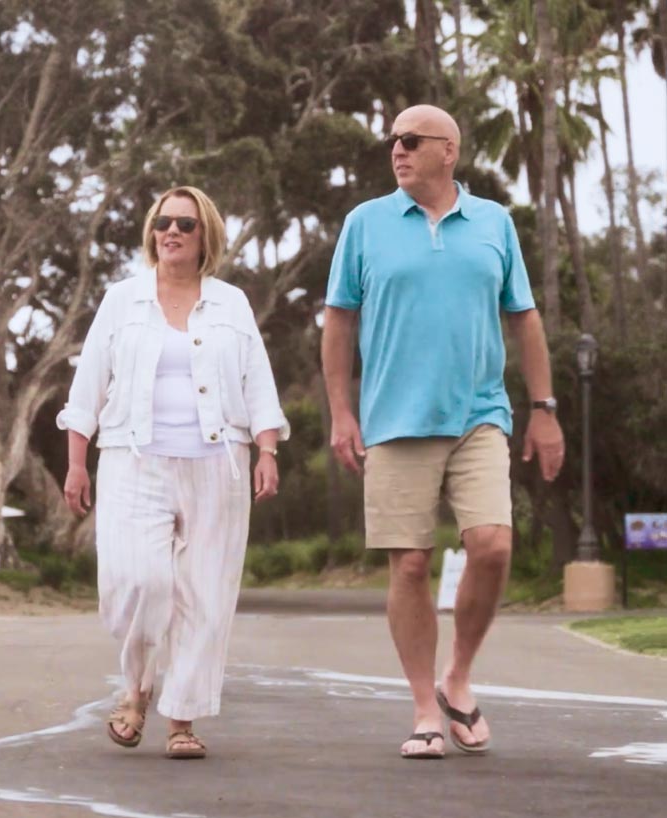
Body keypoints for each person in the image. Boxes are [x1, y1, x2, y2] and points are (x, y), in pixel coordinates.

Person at [321, 105, 564, 759]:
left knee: (491, 546)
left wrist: (543, 408)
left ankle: (458, 675)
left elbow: (526, 319)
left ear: (448, 151)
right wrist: (342, 413)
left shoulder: (493, 223)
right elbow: (339, 321)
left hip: (480, 415)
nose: (396, 151)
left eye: (410, 141)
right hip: (395, 423)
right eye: (392, 141)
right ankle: (426, 706)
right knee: (410, 566)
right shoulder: (365, 224)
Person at [57, 185, 289, 759]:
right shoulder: (121, 300)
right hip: (133, 460)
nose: (172, 231)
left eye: (185, 223)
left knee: (204, 596)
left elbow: (257, 382)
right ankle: (136, 684)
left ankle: (181, 718)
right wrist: (76, 464)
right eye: (163, 221)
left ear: (204, 234)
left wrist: (267, 450)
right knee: (140, 580)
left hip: (218, 464)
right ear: (152, 231)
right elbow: (87, 386)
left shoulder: (232, 303)